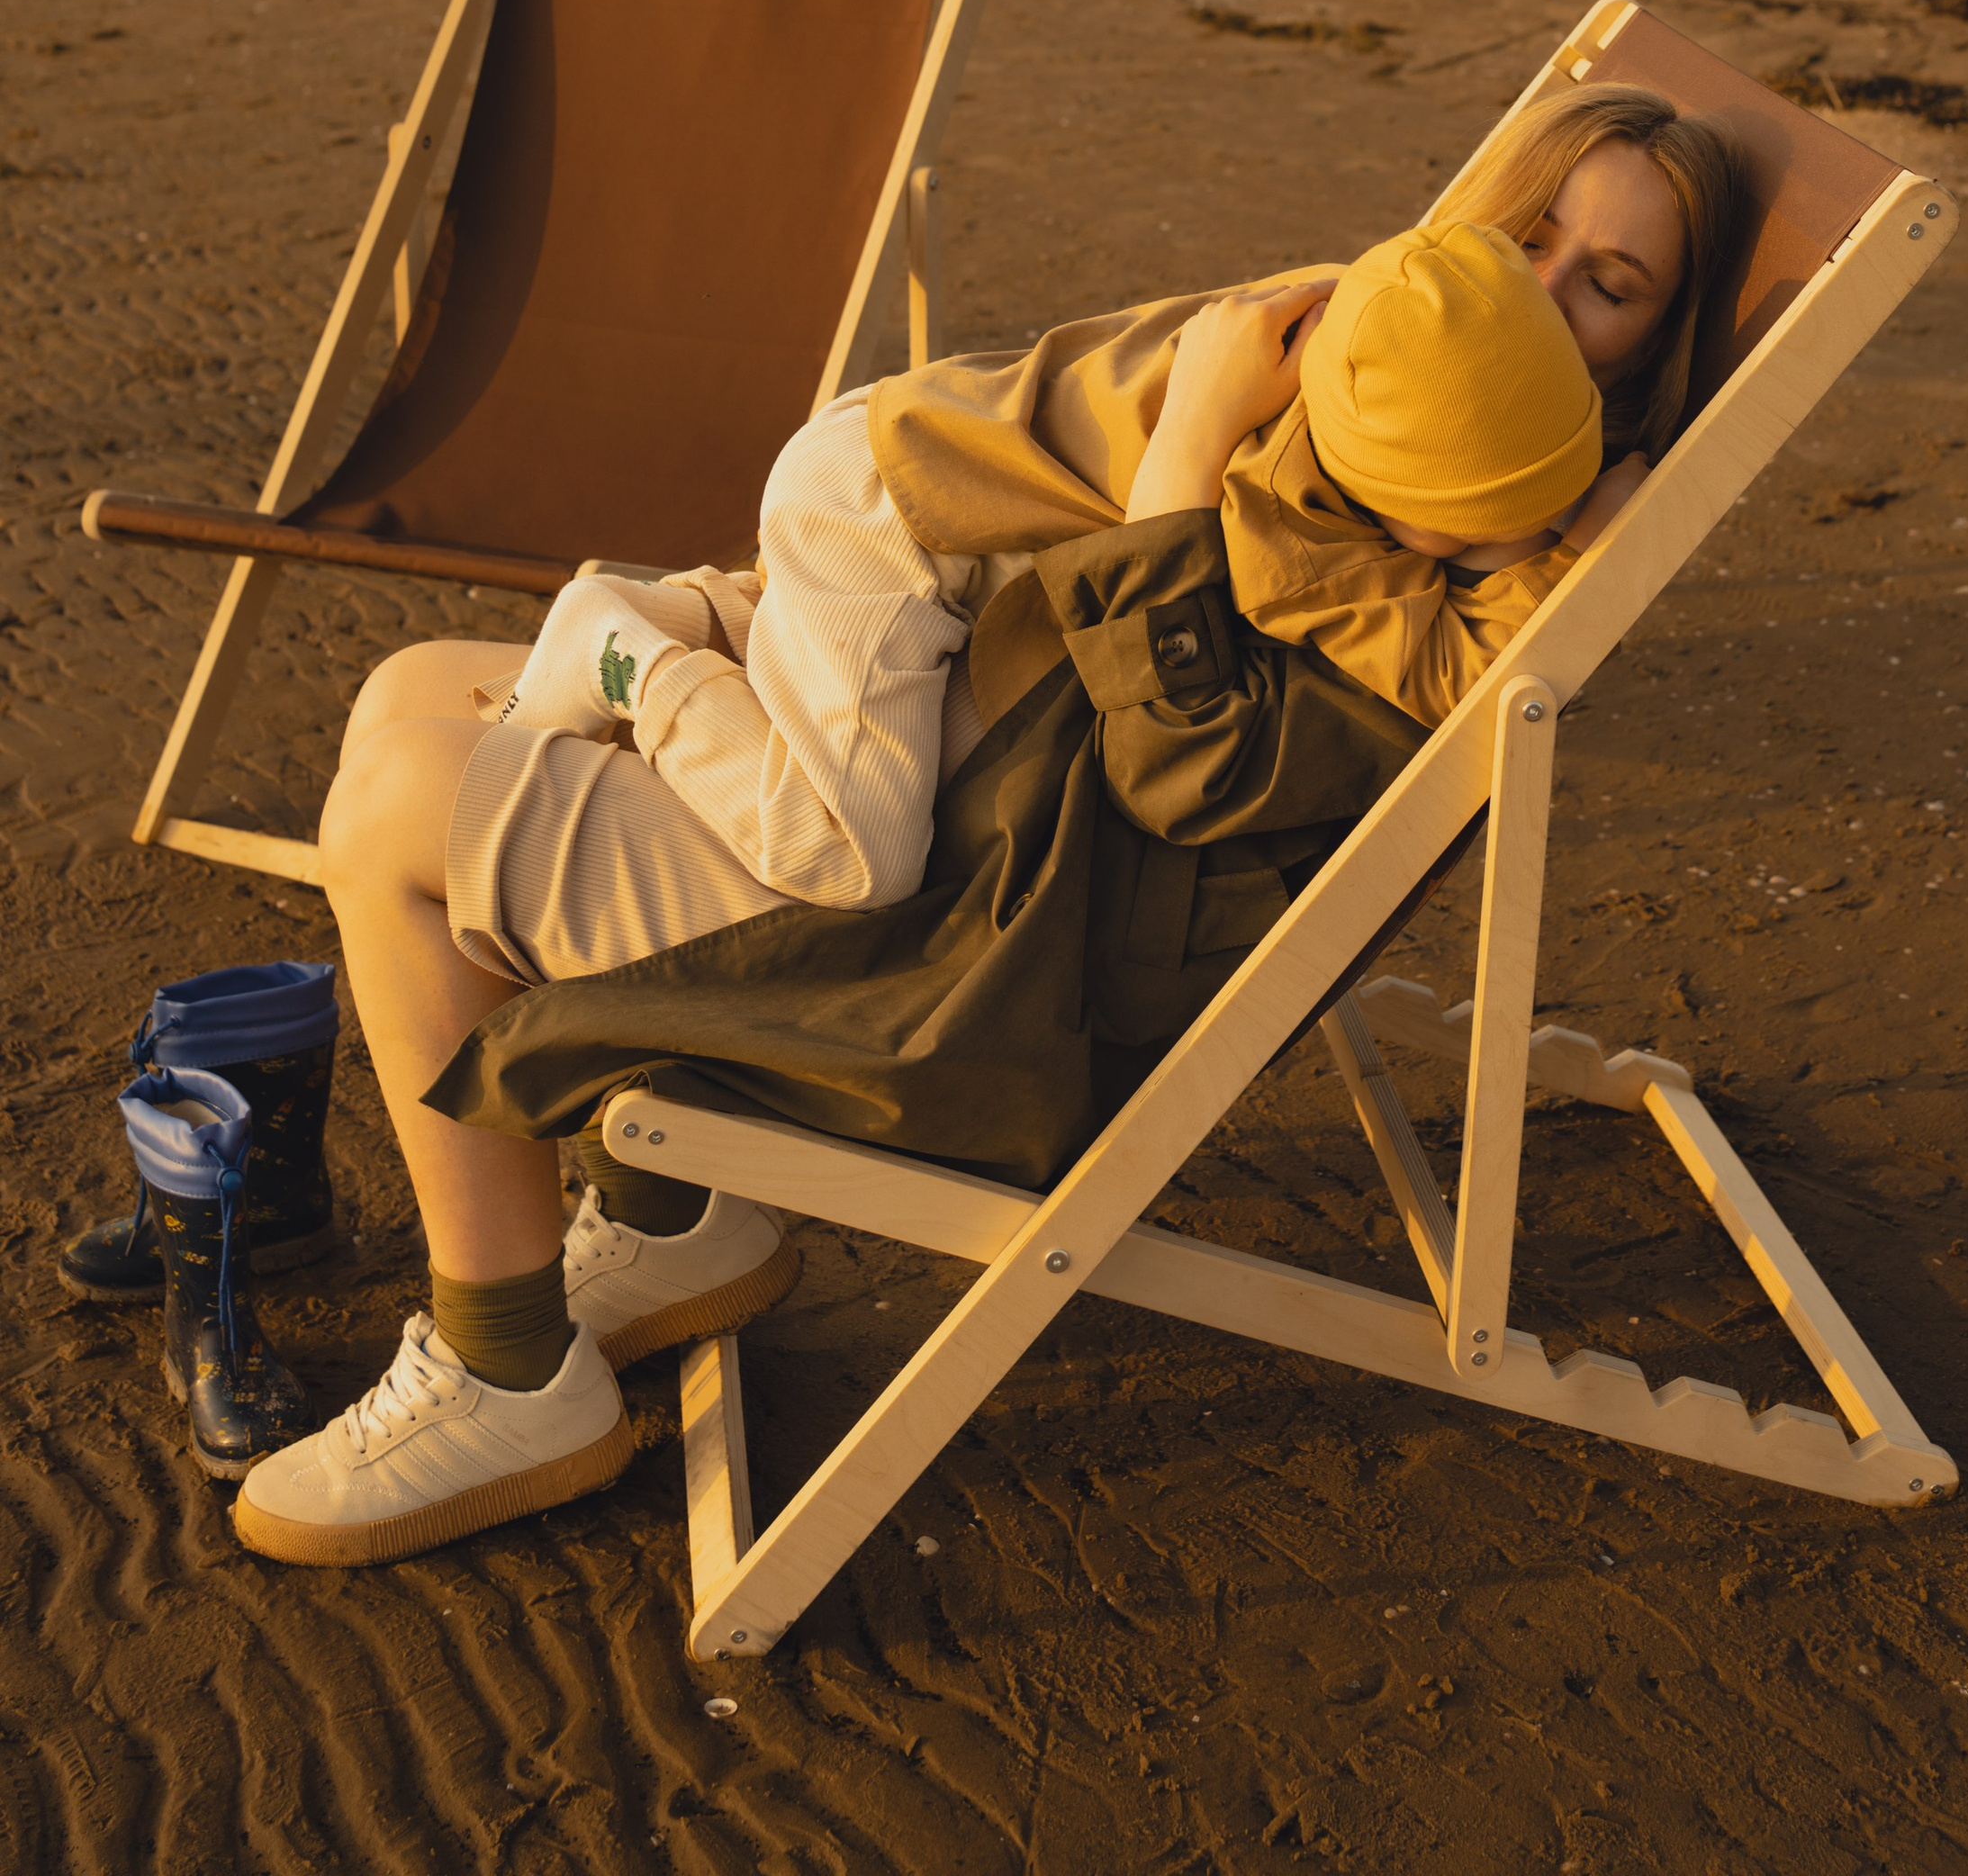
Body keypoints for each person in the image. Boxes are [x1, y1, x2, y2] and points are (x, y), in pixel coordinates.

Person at [230, 85, 1741, 1568]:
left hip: (967, 942)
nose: (1541, 302)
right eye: (1525, 241)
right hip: (953, 775)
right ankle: (670, 1216)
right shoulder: (1360, 413)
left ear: (1650, 361)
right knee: (410, 691)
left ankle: (507, 1372)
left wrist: (1214, 464)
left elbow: (1182, 765)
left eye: (1606, 289)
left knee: (391, 813)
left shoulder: (1458, 587)